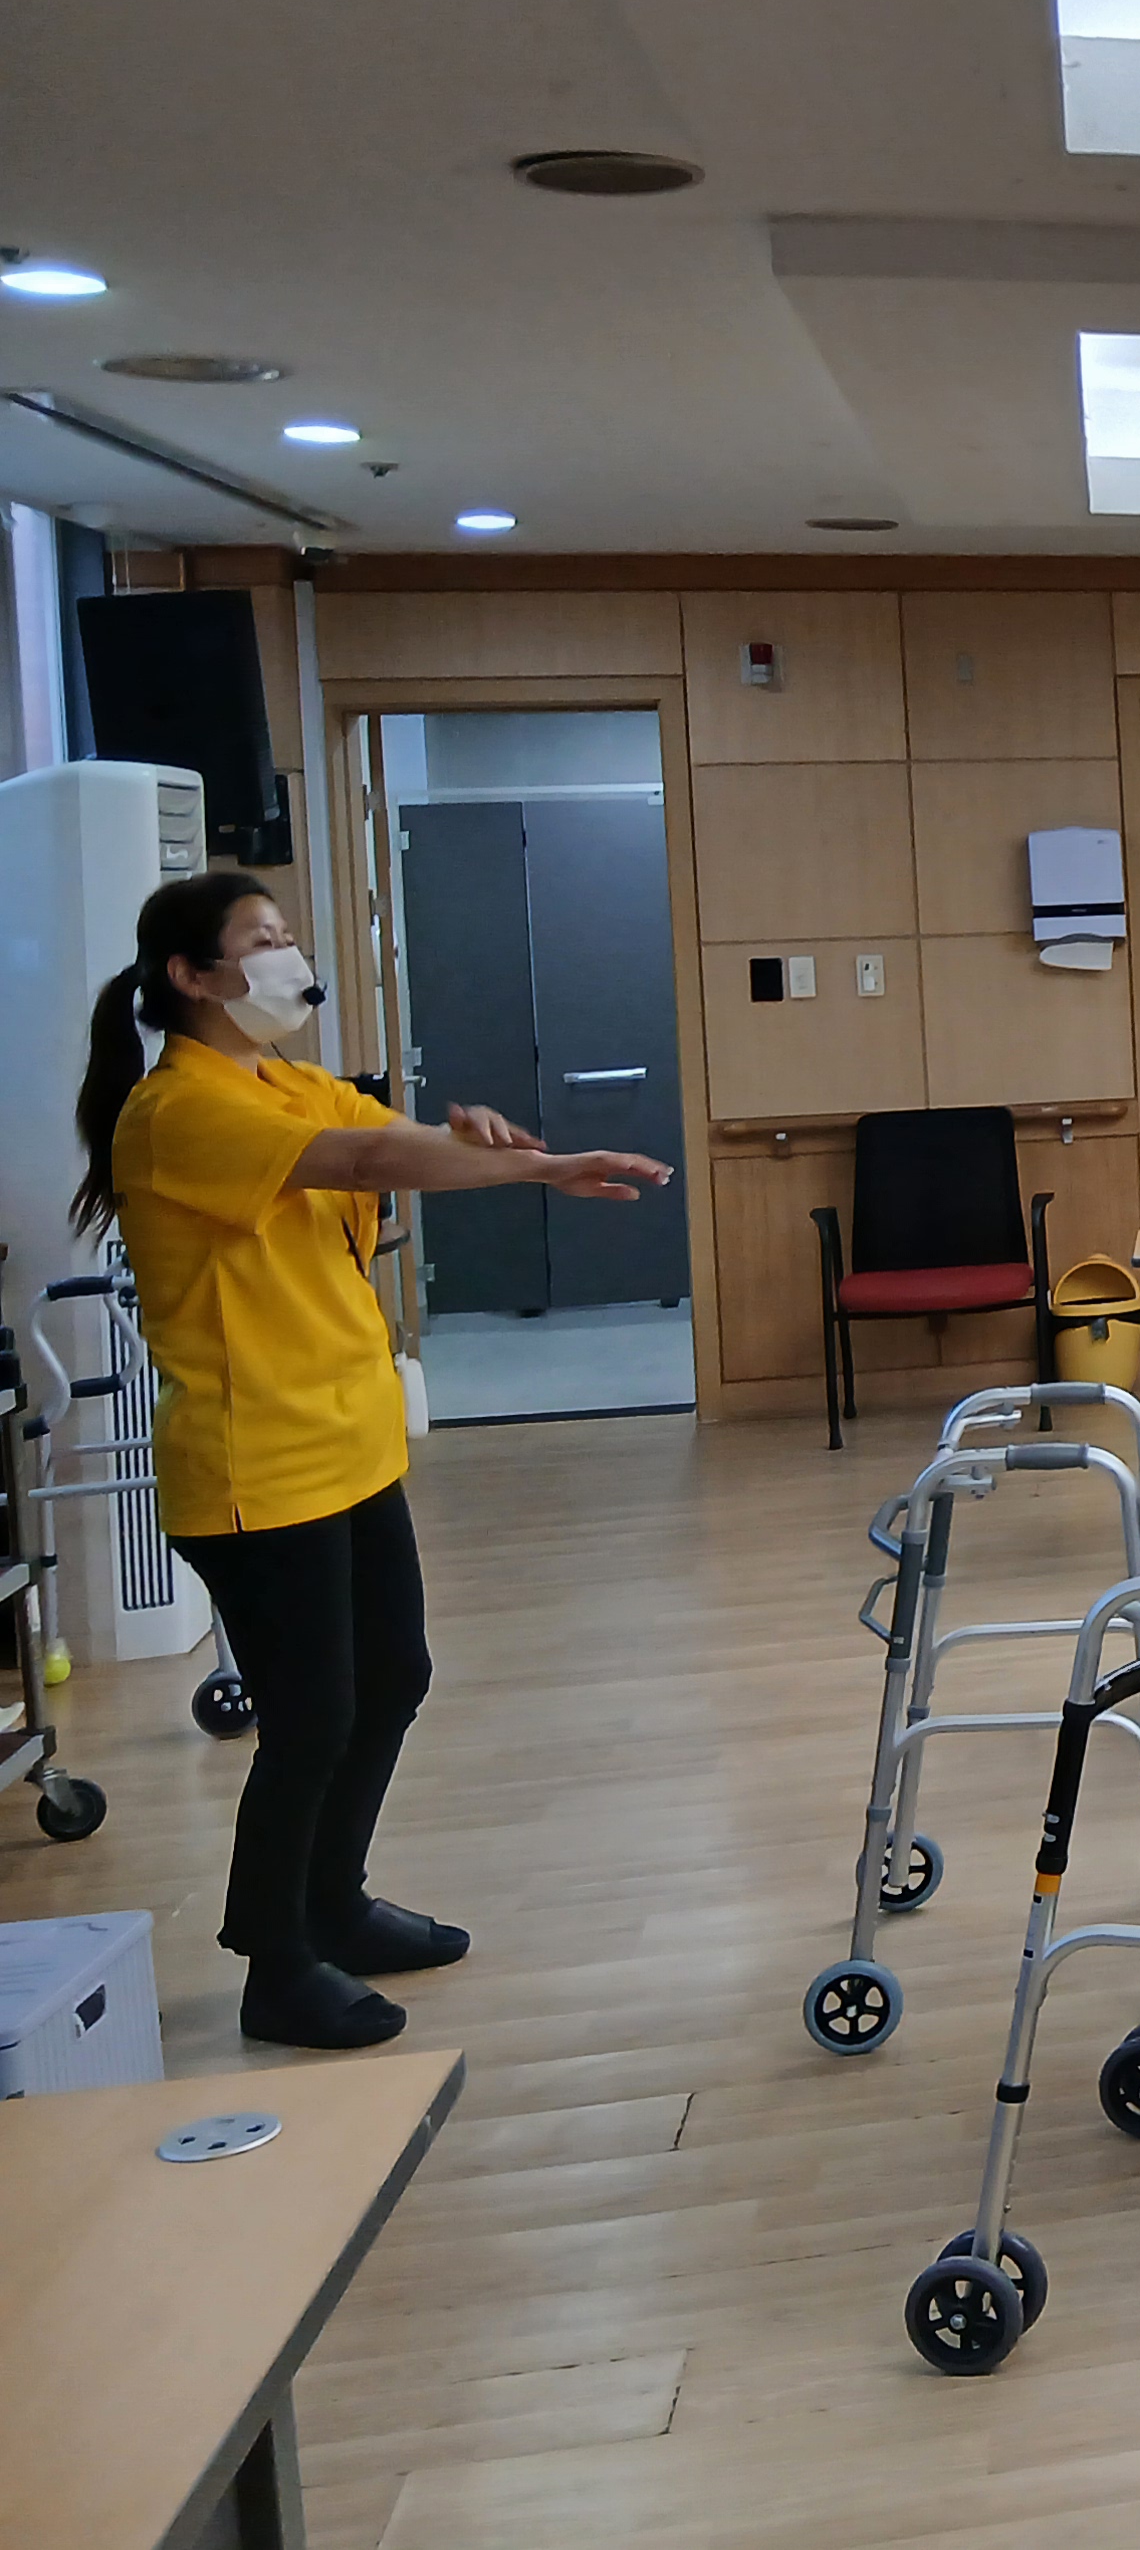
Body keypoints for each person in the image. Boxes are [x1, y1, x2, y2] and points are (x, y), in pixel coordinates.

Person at [72, 872, 668, 2049]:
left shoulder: (283, 1080)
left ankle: (333, 1904)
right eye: (263, 940)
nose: (290, 958)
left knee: (392, 1678)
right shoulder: (176, 1110)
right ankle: (275, 1960)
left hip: (345, 1443)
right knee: (311, 1717)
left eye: (290, 936)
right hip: (253, 1465)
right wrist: (531, 1168)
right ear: (191, 976)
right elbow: (359, 1165)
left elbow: (384, 1139)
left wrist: (485, 1143)